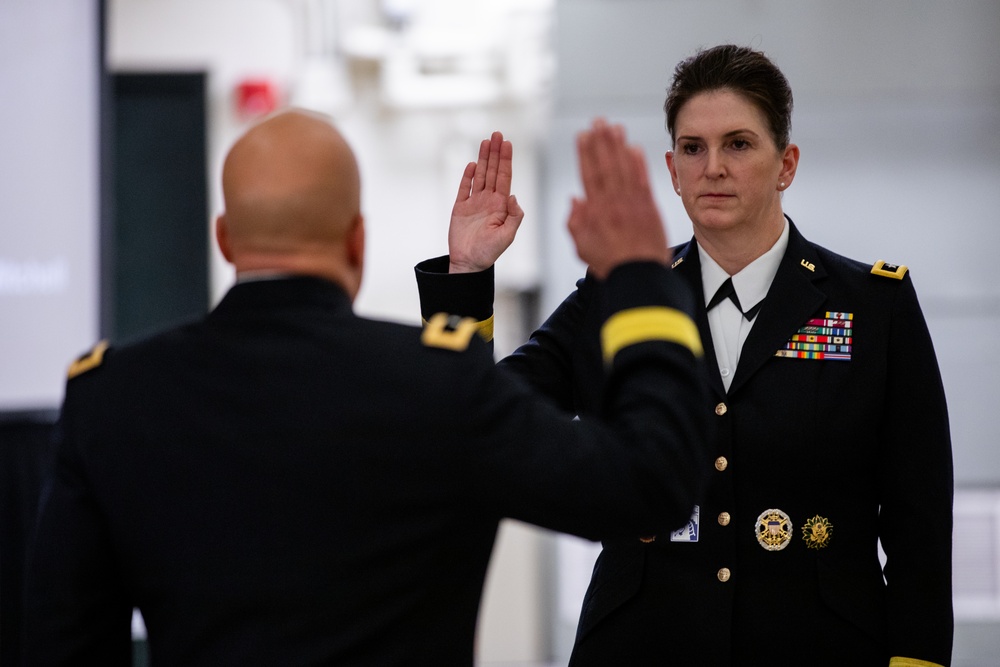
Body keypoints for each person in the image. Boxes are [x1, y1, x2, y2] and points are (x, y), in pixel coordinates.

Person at [22, 109, 710, 666]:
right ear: (357, 242)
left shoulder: (112, 395)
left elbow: (65, 642)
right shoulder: (436, 387)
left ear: (227, 239)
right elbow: (649, 484)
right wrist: (640, 277)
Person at [414, 45, 953, 666]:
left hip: (817, 644)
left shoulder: (873, 306)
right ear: (671, 170)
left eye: (739, 144)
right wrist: (466, 274)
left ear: (787, 164)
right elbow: (480, 418)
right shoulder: (621, 291)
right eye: (693, 149)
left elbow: (919, 522)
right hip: (643, 642)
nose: (713, 167)